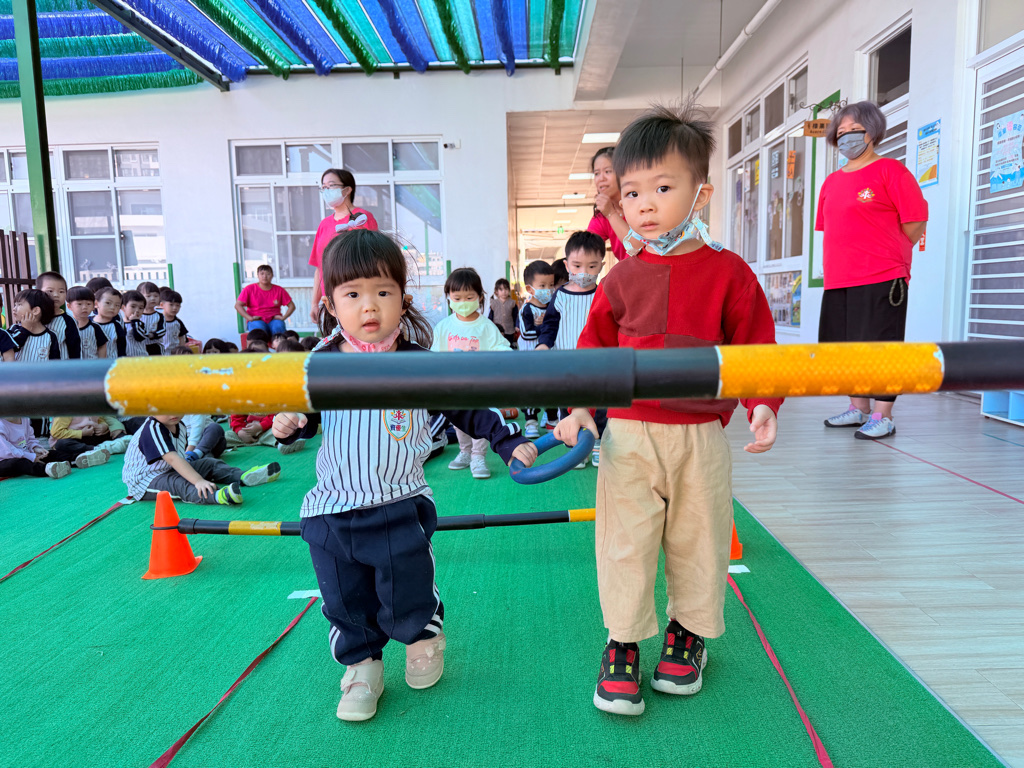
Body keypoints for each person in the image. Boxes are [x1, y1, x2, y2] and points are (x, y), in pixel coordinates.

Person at [553, 102, 782, 717]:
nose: (645, 205)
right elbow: (592, 350)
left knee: (699, 540)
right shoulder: (621, 279)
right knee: (623, 542)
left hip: (700, 437)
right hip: (628, 437)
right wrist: (580, 408)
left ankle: (688, 634)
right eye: (631, 193)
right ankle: (623, 641)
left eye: (662, 188)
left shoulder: (730, 273)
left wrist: (763, 403)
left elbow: (756, 346)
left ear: (700, 193)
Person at [272, 229, 536, 723]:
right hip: (332, 506)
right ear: (331, 304)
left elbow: (465, 405)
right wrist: (290, 422)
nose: (369, 306)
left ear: (403, 299)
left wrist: (505, 440)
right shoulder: (319, 363)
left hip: (398, 501)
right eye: (353, 294)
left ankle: (421, 639)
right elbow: (302, 414)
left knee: (407, 587)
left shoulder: (416, 363)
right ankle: (362, 667)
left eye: (383, 291)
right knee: (343, 598)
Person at [817, 100, 929, 440]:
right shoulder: (831, 182)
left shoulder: (891, 171)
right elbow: (831, 230)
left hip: (882, 275)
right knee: (843, 346)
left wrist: (891, 254)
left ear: (873, 132)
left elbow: (915, 221)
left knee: (881, 346)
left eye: (855, 129)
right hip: (838, 279)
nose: (847, 136)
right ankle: (858, 407)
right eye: (842, 131)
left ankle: (884, 415)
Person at [430, 267, 512, 480]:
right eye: (457, 298)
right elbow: (435, 356)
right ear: (449, 297)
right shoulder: (444, 326)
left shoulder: (486, 326)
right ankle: (465, 451)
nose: (463, 302)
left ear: (479, 297)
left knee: (480, 419)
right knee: (459, 420)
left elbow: (502, 348)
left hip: (480, 385)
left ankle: (478, 456)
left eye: (469, 297)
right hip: (454, 385)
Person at [537, 231, 607, 468]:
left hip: (597, 363)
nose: (584, 272)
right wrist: (543, 345)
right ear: (567, 265)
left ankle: (597, 444)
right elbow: (550, 325)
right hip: (566, 363)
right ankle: (575, 447)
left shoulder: (603, 294)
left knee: (599, 404)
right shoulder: (560, 296)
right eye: (577, 266)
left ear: (601, 266)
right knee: (568, 404)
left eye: (592, 266)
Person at [122, 413, 281, 505]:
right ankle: (217, 496)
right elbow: (173, 459)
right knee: (180, 484)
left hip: (169, 469)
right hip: (145, 480)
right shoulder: (153, 428)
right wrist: (198, 480)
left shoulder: (179, 425)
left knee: (209, 463)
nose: (173, 412)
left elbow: (179, 457)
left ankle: (243, 476)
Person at [309, 168, 379, 322]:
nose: (327, 190)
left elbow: (374, 260)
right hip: (330, 303)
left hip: (357, 300)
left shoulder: (362, 218)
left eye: (331, 185)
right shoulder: (324, 225)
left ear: (347, 189)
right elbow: (319, 268)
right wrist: (315, 303)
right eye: (324, 187)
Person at [516, 260, 556, 438]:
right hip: (529, 358)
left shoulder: (553, 307)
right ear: (530, 289)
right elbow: (526, 333)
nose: (548, 289)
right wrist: (542, 327)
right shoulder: (526, 309)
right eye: (542, 286)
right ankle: (531, 421)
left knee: (550, 387)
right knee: (530, 389)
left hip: (548, 358)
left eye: (551, 285)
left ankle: (552, 418)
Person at [586, 146, 632, 262]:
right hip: (629, 272)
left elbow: (638, 248)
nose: (601, 178)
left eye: (607, 172)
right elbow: (587, 249)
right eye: (597, 173)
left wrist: (611, 213)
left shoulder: (638, 204)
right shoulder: (601, 215)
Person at [0, 417, 71, 479]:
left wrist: (35, 448)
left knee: (51, 454)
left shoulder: (25, 419)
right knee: (20, 463)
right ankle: (48, 470)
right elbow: (7, 452)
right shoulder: (1, 425)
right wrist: (31, 457)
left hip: (25, 455)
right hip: (5, 460)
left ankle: (73, 460)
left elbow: (30, 439)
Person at [236, 264, 295, 337]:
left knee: (278, 327)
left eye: (268, 274)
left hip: (274, 319)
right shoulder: (249, 289)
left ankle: (279, 344)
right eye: (262, 274)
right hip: (256, 320)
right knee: (259, 331)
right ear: (257, 275)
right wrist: (250, 318)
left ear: (272, 275)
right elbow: (238, 305)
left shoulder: (279, 290)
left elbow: (292, 306)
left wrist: (284, 317)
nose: (265, 276)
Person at [48, 414, 128, 468]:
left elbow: (100, 419)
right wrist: (81, 433)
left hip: (91, 435)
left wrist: (103, 426)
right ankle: (98, 449)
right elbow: (56, 432)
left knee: (111, 433)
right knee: (61, 444)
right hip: (72, 439)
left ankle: (120, 442)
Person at [37, 271, 81, 360]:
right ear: (38, 292)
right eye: (50, 291)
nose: (56, 295)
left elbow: (74, 348)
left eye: (61, 291)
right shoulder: (33, 318)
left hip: (61, 366)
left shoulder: (68, 321)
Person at [10, 289, 60, 362]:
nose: (14, 309)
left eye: (19, 304)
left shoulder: (50, 336)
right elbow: (9, 348)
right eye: (15, 305)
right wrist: (24, 330)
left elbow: (55, 363)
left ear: (35, 310)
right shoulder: (14, 329)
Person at [66, 286, 108, 360]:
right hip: (72, 365)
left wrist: (101, 362)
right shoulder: (66, 328)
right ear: (69, 306)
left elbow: (102, 346)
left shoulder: (95, 328)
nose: (84, 307)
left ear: (93, 306)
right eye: (79, 304)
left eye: (88, 304)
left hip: (92, 365)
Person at [94, 287, 127, 359]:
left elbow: (121, 347)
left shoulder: (117, 326)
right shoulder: (89, 324)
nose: (112, 307)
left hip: (113, 361)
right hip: (91, 363)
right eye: (108, 303)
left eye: (117, 305)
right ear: (96, 303)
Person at [487, 278, 519, 348]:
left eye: (506, 289)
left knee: (508, 346)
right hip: (497, 330)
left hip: (509, 330)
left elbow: (516, 316)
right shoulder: (494, 303)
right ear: (496, 291)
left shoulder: (512, 303)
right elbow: (490, 317)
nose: (504, 292)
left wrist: (517, 325)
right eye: (501, 290)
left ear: (509, 290)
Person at [136, 281, 165, 355]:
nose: (153, 298)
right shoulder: (135, 315)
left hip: (155, 347)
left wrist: (153, 335)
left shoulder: (160, 316)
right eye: (148, 296)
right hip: (139, 347)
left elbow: (162, 330)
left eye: (156, 296)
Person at [120, 290, 149, 357]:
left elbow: (139, 337)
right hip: (124, 359)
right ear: (123, 308)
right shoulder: (119, 324)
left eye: (141, 308)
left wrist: (135, 321)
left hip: (140, 357)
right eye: (133, 306)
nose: (137, 310)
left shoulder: (140, 324)